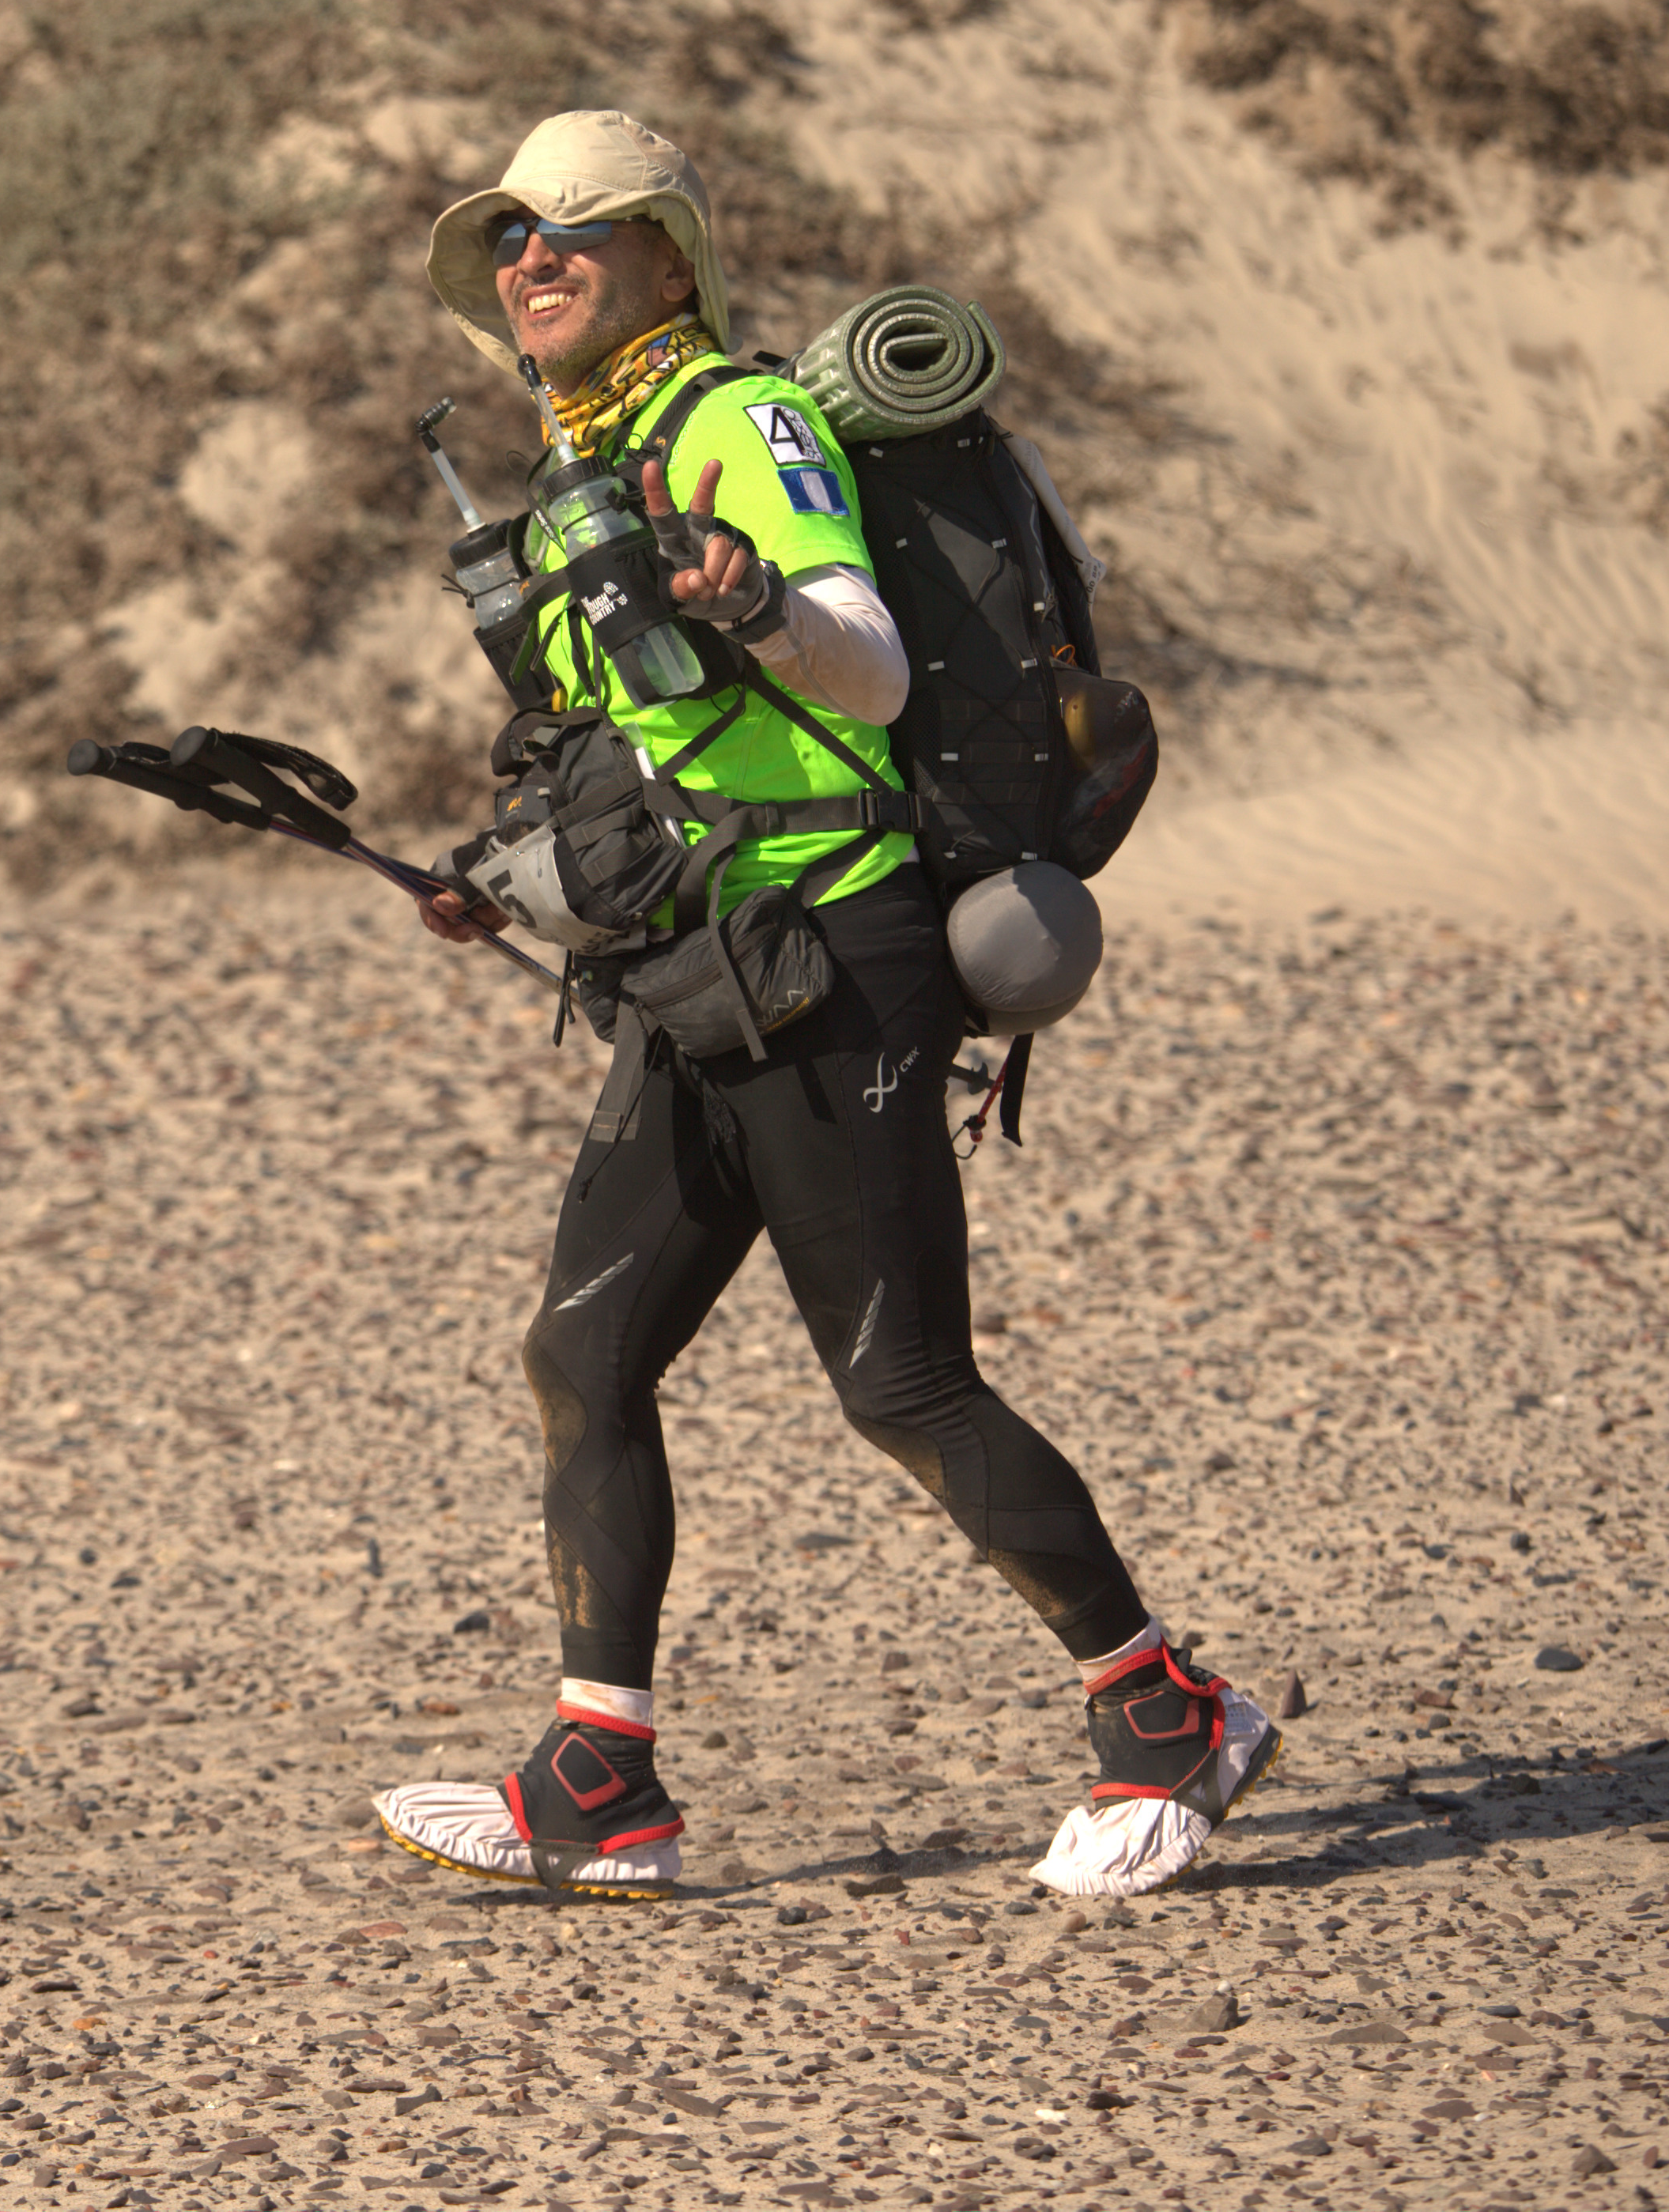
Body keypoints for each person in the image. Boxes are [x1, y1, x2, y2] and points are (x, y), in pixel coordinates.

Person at [368, 111, 1278, 1903]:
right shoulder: (585, 466)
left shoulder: (735, 422)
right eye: (508, 244)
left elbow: (857, 668)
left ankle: (1166, 1709)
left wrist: (761, 597)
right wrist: (512, 873)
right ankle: (596, 1775)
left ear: (668, 262)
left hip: (829, 954)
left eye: (573, 233)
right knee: (583, 1352)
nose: (527, 264)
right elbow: (641, 742)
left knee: (899, 1379)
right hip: (689, 960)